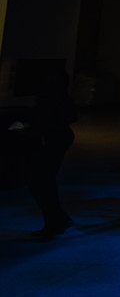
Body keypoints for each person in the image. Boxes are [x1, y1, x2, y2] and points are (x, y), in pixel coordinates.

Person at [22, 66, 77, 240]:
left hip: (53, 141)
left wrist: (29, 130)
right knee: (45, 181)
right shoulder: (63, 99)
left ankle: (55, 221)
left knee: (40, 181)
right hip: (60, 139)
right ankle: (57, 219)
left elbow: (43, 122)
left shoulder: (49, 100)